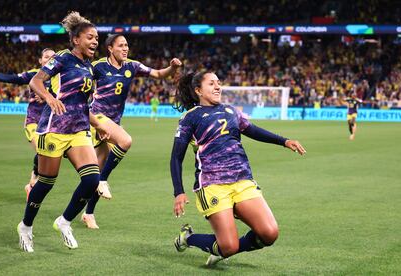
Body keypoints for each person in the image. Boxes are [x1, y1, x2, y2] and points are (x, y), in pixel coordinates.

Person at [170, 71, 306, 266]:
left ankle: (220, 248)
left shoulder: (231, 110)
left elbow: (253, 130)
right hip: (212, 184)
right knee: (229, 247)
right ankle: (188, 237)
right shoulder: (190, 118)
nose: (218, 86)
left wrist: (284, 141)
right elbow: (176, 156)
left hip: (242, 180)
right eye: (211, 83)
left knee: (269, 233)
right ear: (198, 90)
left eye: (218, 82)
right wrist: (179, 192)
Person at [16, 11, 111, 253]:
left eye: (97, 38)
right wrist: (48, 98)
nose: (95, 42)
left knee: (91, 179)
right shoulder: (62, 59)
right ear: (76, 39)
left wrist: (99, 126)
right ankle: (26, 226)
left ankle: (64, 221)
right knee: (46, 182)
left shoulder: (89, 67)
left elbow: (82, 104)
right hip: (54, 128)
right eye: (90, 37)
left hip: (79, 130)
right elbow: (35, 81)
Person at [81, 34, 182, 229]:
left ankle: (88, 213)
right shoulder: (97, 66)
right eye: (121, 45)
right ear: (110, 48)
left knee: (94, 175)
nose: (125, 48)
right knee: (125, 142)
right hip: (98, 118)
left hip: (115, 122)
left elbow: (160, 74)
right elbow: (82, 88)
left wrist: (173, 68)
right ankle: (101, 181)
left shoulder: (132, 66)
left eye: (127, 45)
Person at [0, 48, 55, 197]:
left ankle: (33, 179)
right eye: (46, 57)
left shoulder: (60, 76)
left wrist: (47, 96)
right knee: (40, 148)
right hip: (34, 121)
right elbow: (12, 79)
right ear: (40, 61)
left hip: (52, 123)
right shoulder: (34, 74)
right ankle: (34, 179)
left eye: (53, 57)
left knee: (49, 154)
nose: (50, 59)